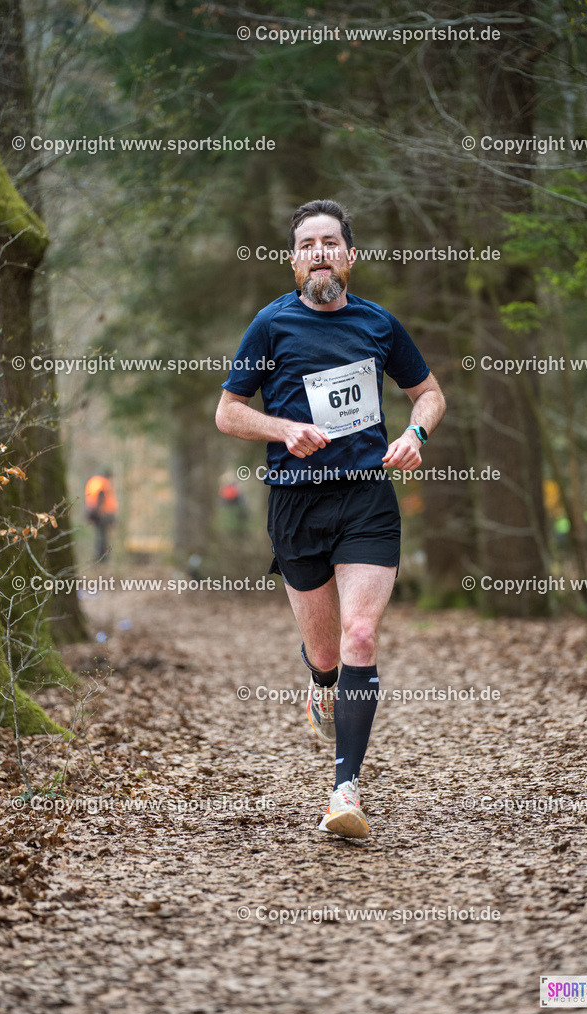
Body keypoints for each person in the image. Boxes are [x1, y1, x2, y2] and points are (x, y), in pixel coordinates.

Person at [216, 199, 446, 839]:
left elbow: (428, 393)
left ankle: (343, 792)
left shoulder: (378, 324)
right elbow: (228, 412)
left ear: (350, 255)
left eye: (329, 242)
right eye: (307, 244)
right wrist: (284, 429)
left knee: (362, 638)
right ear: (295, 261)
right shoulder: (271, 326)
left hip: (367, 497)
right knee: (326, 654)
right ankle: (320, 682)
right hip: (296, 503)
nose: (319, 252)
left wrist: (415, 434)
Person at [85, 469, 118, 562]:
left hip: (94, 513)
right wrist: (109, 517)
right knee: (102, 537)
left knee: (99, 536)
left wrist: (89, 515)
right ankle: (102, 558)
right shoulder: (103, 483)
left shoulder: (94, 482)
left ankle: (100, 557)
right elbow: (100, 498)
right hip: (102, 514)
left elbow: (89, 500)